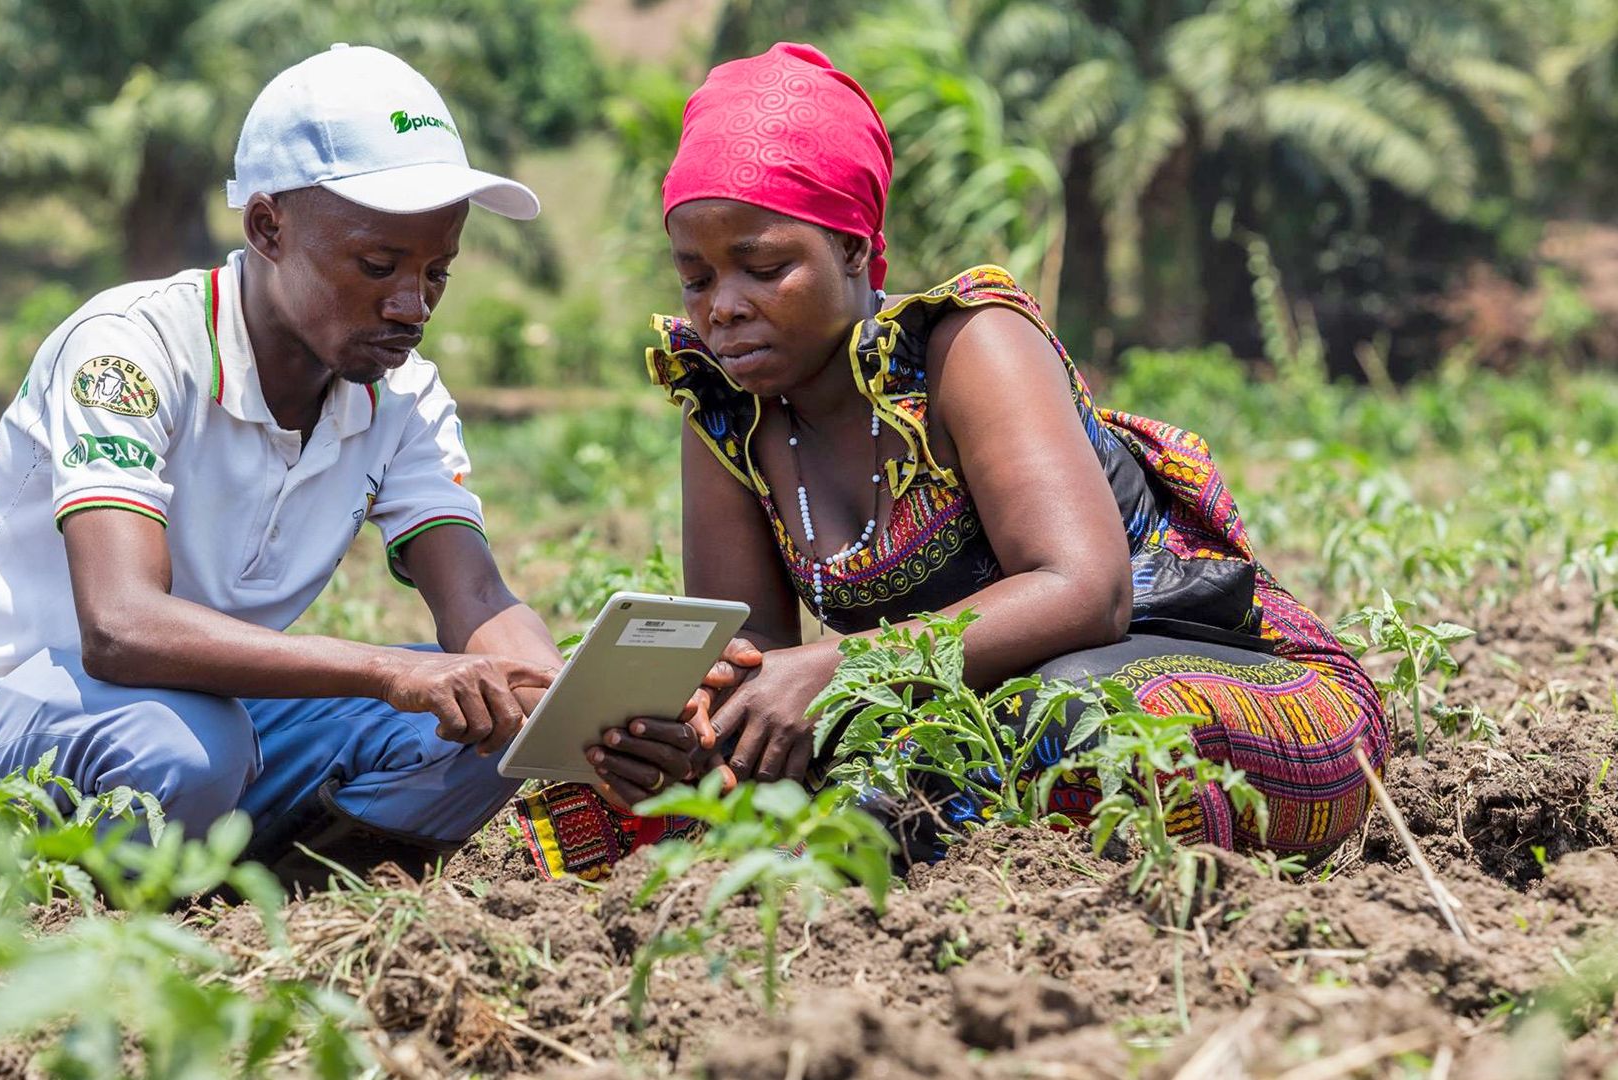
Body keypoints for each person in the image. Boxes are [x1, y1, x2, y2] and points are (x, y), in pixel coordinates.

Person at [517, 42, 1387, 879]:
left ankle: (891, 852)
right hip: (957, 713)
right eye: (696, 279)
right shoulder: (724, 406)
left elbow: (1089, 590)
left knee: (1085, 720)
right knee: (613, 791)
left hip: (1227, 691)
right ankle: (862, 851)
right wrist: (694, 727)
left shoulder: (971, 346)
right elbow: (755, 650)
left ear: (855, 248)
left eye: (762, 267)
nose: (725, 308)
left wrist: (841, 668)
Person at [0, 45, 658, 886]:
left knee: (479, 729)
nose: (411, 305)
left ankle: (283, 914)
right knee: (186, 748)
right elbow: (120, 626)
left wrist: (578, 712)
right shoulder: (131, 350)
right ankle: (88, 928)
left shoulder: (399, 395)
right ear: (268, 227)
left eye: (437, 272)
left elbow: (477, 600)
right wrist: (390, 669)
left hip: (208, 732)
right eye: (379, 265)